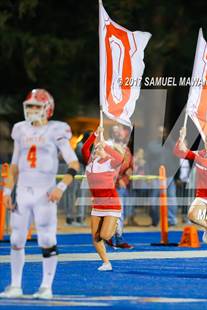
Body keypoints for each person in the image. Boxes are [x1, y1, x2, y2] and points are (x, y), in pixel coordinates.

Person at [0, 89, 80, 299]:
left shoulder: (57, 130)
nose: (32, 110)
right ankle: (15, 285)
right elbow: (15, 165)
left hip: (45, 193)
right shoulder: (20, 129)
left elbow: (73, 163)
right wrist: (7, 190)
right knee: (16, 239)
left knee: (46, 239)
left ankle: (46, 286)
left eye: (37, 106)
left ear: (48, 109)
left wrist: (60, 187)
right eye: (30, 106)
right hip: (23, 193)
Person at [173, 126, 207, 268]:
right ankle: (206, 227)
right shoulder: (201, 153)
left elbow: (206, 163)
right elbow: (177, 152)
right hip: (203, 194)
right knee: (191, 215)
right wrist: (181, 138)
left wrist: (189, 152)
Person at [82, 126, 124, 271]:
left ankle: (116, 225)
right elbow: (84, 149)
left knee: (105, 235)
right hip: (97, 205)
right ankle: (106, 263)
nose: (96, 150)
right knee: (95, 238)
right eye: (95, 150)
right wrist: (95, 134)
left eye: (98, 149)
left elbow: (120, 158)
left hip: (112, 204)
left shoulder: (109, 163)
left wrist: (105, 147)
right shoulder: (90, 164)